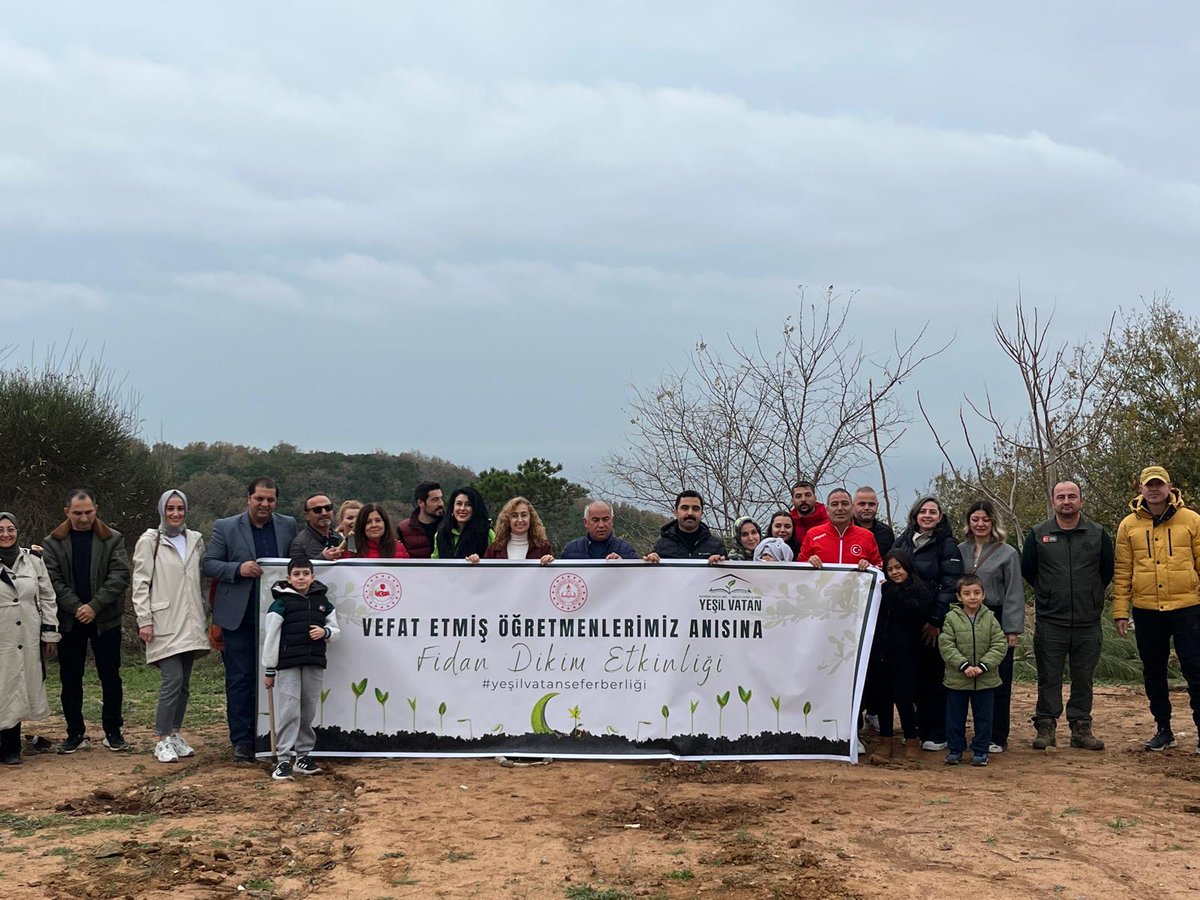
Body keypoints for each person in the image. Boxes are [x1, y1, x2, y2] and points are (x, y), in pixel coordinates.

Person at [203, 477, 297, 762]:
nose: (264, 504)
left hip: (277, 615)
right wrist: (237, 568)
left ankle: (273, 736)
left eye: (270, 500)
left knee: (277, 677)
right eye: (259, 499)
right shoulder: (226, 526)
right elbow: (208, 564)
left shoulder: (288, 525)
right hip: (238, 617)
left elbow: (297, 561)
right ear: (248, 499)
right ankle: (242, 741)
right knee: (240, 679)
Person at [1112, 466, 1200, 753]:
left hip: (1188, 607)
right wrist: (1121, 611)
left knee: (1195, 669)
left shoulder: (1192, 520)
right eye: (1148, 485)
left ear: (1169, 487)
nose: (1154, 489)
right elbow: (1123, 571)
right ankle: (1163, 729)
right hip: (1147, 609)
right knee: (1153, 671)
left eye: (1158, 484)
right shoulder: (1128, 525)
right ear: (1140, 488)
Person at [1021, 480, 1113, 751]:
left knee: (1083, 677)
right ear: (1053, 501)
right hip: (1051, 619)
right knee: (1049, 676)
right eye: (1060, 497)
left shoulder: (1097, 533)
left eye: (1072, 496)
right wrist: (1050, 592)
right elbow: (1029, 571)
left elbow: (1106, 571)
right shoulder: (1038, 533)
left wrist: (1091, 596)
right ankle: (1046, 726)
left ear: (1081, 501)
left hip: (1088, 620)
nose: (1066, 501)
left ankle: (1081, 728)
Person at [42, 488, 132, 753]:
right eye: (78, 513)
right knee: (70, 678)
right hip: (70, 622)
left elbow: (119, 575)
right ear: (66, 512)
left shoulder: (113, 539)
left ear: (96, 509)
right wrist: (76, 607)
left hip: (106, 619)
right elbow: (52, 581)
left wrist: (94, 606)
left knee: (111, 677)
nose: (84, 518)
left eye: (89, 512)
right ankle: (74, 733)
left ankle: (113, 732)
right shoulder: (53, 542)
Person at [131, 490, 211, 764]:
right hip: (163, 619)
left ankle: (176, 733)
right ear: (162, 510)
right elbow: (140, 584)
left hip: (191, 620)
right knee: (172, 679)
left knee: (184, 683)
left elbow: (201, 579)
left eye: (180, 508)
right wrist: (145, 620)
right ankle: (162, 738)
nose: (175, 514)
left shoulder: (196, 540)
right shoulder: (149, 541)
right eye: (170, 509)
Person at [893, 496, 963, 751]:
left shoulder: (947, 545)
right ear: (915, 515)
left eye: (933, 511)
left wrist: (935, 619)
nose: (928, 515)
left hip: (933, 623)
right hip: (905, 622)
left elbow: (951, 584)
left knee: (932, 679)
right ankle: (914, 730)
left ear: (941, 516)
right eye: (923, 511)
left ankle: (936, 732)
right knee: (907, 678)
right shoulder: (902, 541)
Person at [262, 556, 340, 781]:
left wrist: (324, 633)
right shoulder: (280, 604)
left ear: (312, 576)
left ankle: (303, 756)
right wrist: (269, 669)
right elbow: (271, 638)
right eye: (296, 574)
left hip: (314, 662)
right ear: (289, 578)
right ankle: (284, 758)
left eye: (305, 573)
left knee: (308, 709)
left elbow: (336, 631)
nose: (301, 578)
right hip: (288, 665)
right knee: (289, 709)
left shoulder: (323, 602)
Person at [958, 500, 1024, 753]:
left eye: (985, 519)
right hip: (964, 617)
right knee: (963, 676)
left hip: (996, 616)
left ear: (993, 521)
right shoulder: (960, 549)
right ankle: (961, 734)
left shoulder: (1007, 553)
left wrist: (1012, 629)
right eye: (975, 519)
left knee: (998, 679)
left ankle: (997, 735)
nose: (980, 524)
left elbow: (1014, 593)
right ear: (969, 522)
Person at [0, 512, 61, 765]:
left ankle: (12, 748)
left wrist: (50, 633)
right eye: (0, 530)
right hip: (2, 635)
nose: (5, 534)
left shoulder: (33, 560)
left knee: (17, 686)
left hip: (26, 634)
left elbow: (47, 596)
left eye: (10, 529)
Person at [939, 575, 1007, 766]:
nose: (972, 597)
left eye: (977, 593)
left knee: (984, 718)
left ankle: (981, 750)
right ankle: (955, 749)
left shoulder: (991, 618)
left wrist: (983, 666)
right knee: (955, 717)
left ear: (983, 595)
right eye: (967, 593)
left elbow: (999, 644)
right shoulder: (951, 618)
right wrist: (964, 666)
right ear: (959, 597)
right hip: (957, 678)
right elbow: (946, 645)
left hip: (985, 678)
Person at [870, 549, 930, 760]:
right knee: (883, 699)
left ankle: (912, 739)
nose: (895, 572)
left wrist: (891, 593)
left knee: (904, 699)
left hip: (906, 655)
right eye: (890, 569)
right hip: (880, 654)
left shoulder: (920, 591)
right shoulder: (879, 590)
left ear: (908, 567)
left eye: (898, 567)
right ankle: (885, 740)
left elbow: (909, 613)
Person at [800, 488, 882, 571]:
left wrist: (869, 566)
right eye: (834, 504)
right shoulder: (813, 534)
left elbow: (879, 567)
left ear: (852, 508)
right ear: (827, 510)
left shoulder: (867, 536)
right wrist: (808, 562)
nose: (840, 508)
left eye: (845, 504)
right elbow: (798, 567)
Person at [644, 492, 726, 562]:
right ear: (675, 512)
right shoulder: (661, 545)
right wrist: (651, 560)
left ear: (702, 513)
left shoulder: (716, 546)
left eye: (695, 508)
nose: (690, 513)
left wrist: (720, 564)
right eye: (685, 508)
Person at [483, 497, 555, 562]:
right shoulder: (495, 548)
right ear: (508, 520)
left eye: (524, 515)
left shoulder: (543, 546)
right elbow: (485, 573)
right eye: (514, 516)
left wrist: (550, 561)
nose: (520, 520)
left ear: (531, 518)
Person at [561, 500, 640, 560]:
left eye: (605, 519)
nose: (601, 525)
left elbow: (638, 577)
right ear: (586, 522)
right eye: (595, 520)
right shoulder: (571, 550)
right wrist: (549, 564)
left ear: (612, 521)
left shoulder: (625, 550)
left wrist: (621, 564)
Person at [432, 487, 493, 561]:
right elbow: (435, 563)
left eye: (468, 504)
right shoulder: (441, 534)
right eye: (459, 504)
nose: (462, 508)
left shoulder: (488, 534)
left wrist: (479, 562)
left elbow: (496, 562)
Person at [291, 494, 345, 561]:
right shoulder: (300, 544)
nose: (324, 513)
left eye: (328, 508)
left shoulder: (339, 538)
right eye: (317, 510)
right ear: (307, 515)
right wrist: (323, 558)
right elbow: (297, 569)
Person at [398, 482, 444, 559]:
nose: (441, 503)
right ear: (421, 503)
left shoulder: (451, 525)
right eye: (435, 500)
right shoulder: (404, 529)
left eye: (441, 498)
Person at [854, 486, 895, 557]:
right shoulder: (845, 530)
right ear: (853, 506)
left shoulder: (886, 533)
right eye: (862, 504)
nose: (867, 508)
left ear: (877, 506)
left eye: (871, 504)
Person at [788, 481, 829, 547]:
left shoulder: (830, 522)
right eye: (798, 496)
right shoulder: (788, 525)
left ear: (815, 498)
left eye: (807, 495)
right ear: (792, 501)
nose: (803, 499)